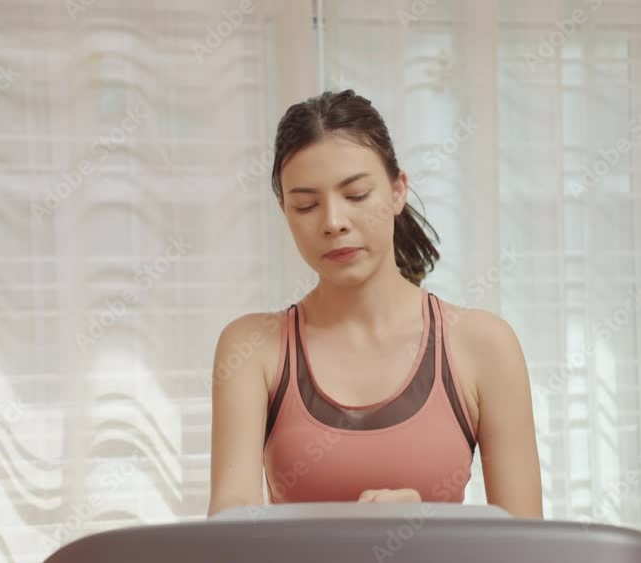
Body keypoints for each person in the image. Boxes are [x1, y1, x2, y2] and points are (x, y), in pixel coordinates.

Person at [207, 90, 542, 519]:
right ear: (284, 210)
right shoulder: (252, 347)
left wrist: (429, 529)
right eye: (306, 205)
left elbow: (528, 550)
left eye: (357, 195)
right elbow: (229, 534)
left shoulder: (485, 345)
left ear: (398, 190)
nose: (332, 222)